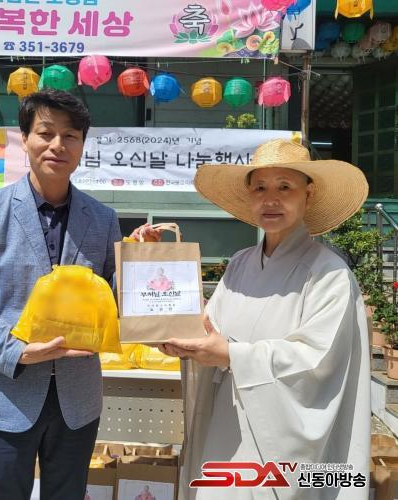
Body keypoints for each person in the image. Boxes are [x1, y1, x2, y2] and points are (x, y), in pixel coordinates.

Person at [0, 89, 159, 500]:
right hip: (6, 395)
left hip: (77, 401)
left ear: (82, 145)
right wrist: (17, 350)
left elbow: (112, 300)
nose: (58, 145)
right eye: (46, 133)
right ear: (24, 138)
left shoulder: (102, 218)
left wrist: (139, 260)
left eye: (70, 136)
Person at [159, 139, 370, 499]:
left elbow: (316, 362)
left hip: (282, 441)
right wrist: (174, 328)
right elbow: (208, 328)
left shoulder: (329, 274)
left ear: (308, 195)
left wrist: (232, 355)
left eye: (284, 187)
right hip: (228, 425)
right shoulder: (240, 264)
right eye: (260, 188)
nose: (270, 199)